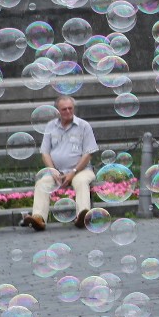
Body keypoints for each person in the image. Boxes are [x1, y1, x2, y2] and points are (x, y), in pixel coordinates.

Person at [28, 95, 95, 230]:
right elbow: (45, 152)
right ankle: (39, 219)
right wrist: (53, 171)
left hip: (81, 170)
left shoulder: (84, 126)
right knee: (42, 183)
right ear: (57, 111)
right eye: (64, 109)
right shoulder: (50, 126)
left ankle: (83, 215)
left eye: (70, 108)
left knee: (81, 182)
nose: (68, 111)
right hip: (57, 171)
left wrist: (73, 172)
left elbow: (88, 153)